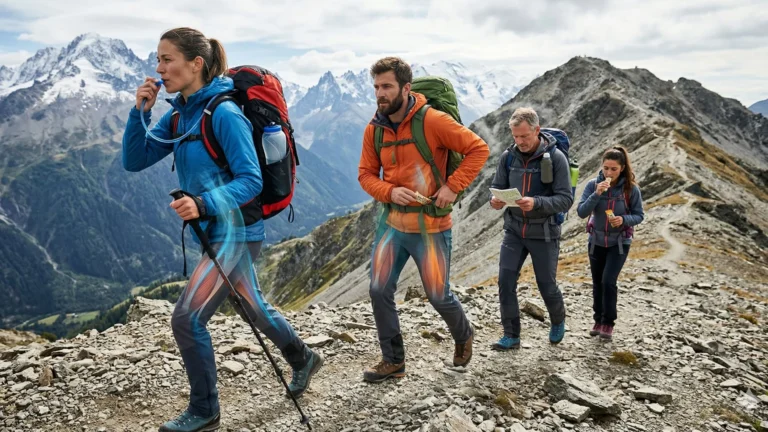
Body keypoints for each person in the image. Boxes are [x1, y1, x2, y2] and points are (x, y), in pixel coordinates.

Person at [122, 27, 322, 432]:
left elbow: (251, 180)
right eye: (158, 59)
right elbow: (135, 159)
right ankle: (304, 358)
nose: (159, 69)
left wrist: (202, 203)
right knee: (251, 304)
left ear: (196, 63)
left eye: (167, 59)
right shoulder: (179, 114)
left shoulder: (225, 113)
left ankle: (205, 411)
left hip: (236, 232)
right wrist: (139, 112)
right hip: (214, 231)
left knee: (187, 318)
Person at [358, 57, 489, 382]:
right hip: (392, 225)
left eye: (387, 86)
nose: (380, 94)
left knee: (437, 295)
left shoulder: (433, 121)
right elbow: (365, 175)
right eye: (376, 87)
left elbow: (478, 149)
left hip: (431, 227)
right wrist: (390, 191)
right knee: (378, 290)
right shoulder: (374, 128)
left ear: (406, 88)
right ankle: (393, 362)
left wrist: (452, 187)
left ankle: (463, 334)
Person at [488, 108, 573, 350]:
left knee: (546, 284)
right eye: (515, 136)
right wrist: (495, 201)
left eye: (524, 136)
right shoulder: (508, 157)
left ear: (537, 130)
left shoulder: (556, 158)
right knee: (505, 282)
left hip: (544, 232)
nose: (520, 141)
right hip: (514, 230)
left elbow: (565, 199)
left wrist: (536, 202)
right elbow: (497, 186)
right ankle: (511, 335)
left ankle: (558, 320)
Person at [576, 146, 644, 341]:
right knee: (597, 282)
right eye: (606, 168)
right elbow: (581, 212)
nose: (609, 173)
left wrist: (623, 220)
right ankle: (597, 321)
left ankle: (608, 323)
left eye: (614, 169)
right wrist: (597, 194)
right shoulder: (592, 185)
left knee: (608, 281)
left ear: (622, 168)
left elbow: (639, 215)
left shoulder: (630, 189)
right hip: (596, 241)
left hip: (619, 243)